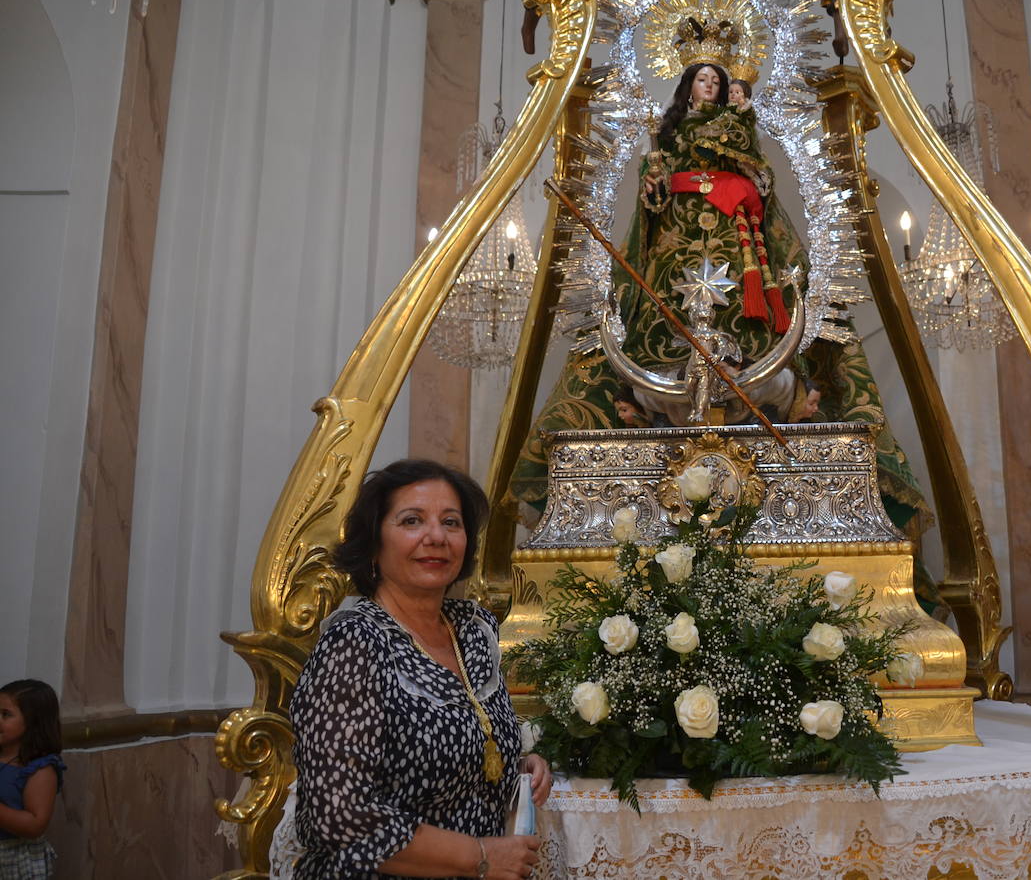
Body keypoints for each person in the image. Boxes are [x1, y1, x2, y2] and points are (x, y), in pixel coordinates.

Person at [511, 45, 938, 611]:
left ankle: (767, 384)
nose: (711, 88)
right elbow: (653, 207)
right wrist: (658, 180)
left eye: (718, 80)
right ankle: (659, 387)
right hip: (677, 249)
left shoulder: (740, 136)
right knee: (659, 328)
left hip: (743, 255)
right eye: (703, 80)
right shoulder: (667, 141)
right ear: (689, 86)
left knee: (759, 324)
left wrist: (747, 183)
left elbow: (758, 190)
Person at [289, 459, 552, 879]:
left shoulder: (472, 630)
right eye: (412, 521)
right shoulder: (354, 644)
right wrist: (480, 855)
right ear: (373, 543)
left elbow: (463, 743)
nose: (436, 537)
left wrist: (516, 764)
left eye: (451, 522)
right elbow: (340, 815)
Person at [0, 679, 64, 879]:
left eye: (5, 715)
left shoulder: (39, 769)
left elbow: (34, 825)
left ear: (33, 721)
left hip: (12, 858)